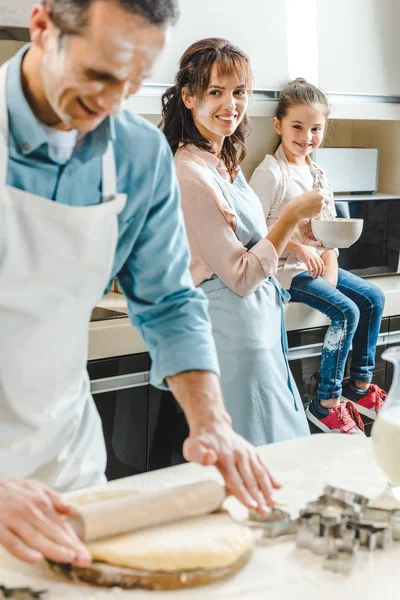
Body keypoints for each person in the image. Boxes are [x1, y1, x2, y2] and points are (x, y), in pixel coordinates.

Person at [0, 1, 279, 565]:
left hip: (67, 461)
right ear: (42, 27)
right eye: (100, 72)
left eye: (132, 82)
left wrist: (211, 422)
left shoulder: (137, 152)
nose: (111, 102)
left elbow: (170, 301)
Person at [160, 38, 326, 448]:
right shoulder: (189, 173)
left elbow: (253, 246)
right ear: (188, 96)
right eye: (215, 92)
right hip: (232, 337)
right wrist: (288, 217)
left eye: (239, 92)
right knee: (258, 463)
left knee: (281, 459)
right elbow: (240, 274)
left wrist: (297, 237)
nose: (230, 104)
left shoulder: (223, 164)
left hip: (260, 331)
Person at [250, 78, 386, 435]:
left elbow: (327, 227)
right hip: (285, 272)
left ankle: (359, 388)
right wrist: (299, 247)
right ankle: (326, 403)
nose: (306, 136)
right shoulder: (269, 173)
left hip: (316, 268)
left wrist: (331, 259)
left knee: (373, 297)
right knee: (347, 311)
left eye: (315, 129)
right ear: (278, 125)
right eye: (297, 126)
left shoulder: (317, 173)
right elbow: (254, 233)